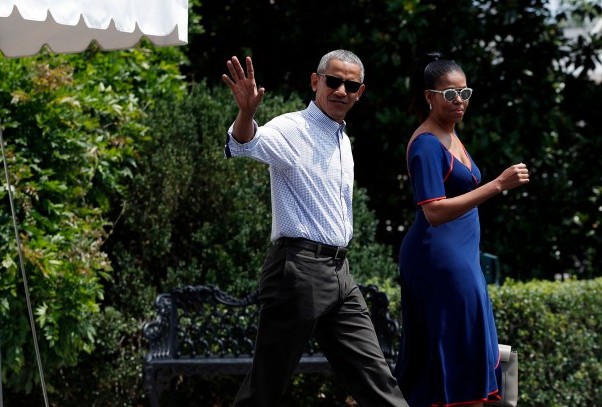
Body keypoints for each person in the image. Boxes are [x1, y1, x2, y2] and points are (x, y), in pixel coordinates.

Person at [221, 50, 408, 407]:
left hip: (340, 274)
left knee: (378, 379)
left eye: (350, 85)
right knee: (265, 388)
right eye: (333, 81)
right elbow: (245, 144)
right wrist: (246, 113)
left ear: (360, 92)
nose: (341, 90)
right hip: (298, 270)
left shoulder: (343, 139)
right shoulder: (293, 128)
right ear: (315, 81)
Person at [394, 52, 530, 406]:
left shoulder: (450, 135)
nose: (459, 101)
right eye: (449, 94)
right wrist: (498, 184)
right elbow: (434, 211)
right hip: (439, 261)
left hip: (461, 259)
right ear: (429, 97)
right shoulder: (426, 143)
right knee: (456, 360)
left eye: (464, 93)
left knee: (473, 354)